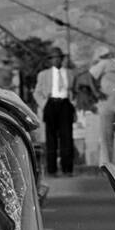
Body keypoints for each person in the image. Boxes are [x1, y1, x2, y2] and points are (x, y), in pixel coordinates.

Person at [33, 47, 76, 176]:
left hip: (65, 104)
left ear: (62, 59)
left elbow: (74, 91)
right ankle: (51, 170)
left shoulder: (70, 73)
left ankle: (67, 169)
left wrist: (72, 104)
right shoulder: (44, 74)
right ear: (50, 60)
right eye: (53, 58)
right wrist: (44, 104)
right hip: (50, 104)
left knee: (67, 137)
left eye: (58, 57)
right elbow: (37, 92)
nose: (56, 60)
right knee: (51, 138)